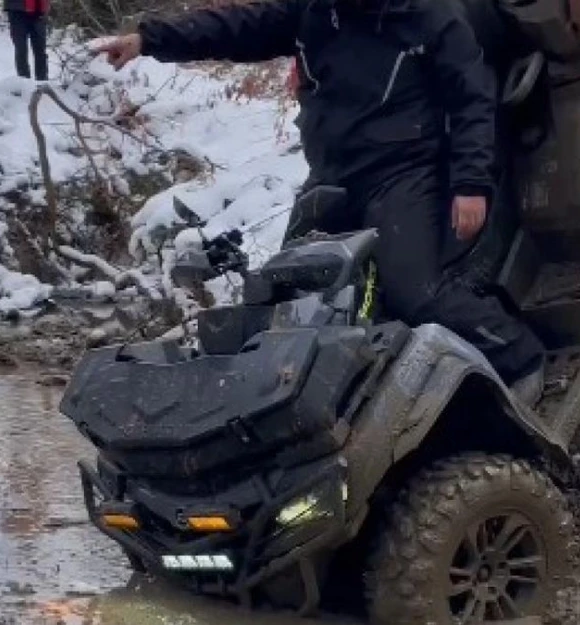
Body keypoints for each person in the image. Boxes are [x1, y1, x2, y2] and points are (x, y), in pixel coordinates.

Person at [92, 0, 547, 405]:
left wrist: (471, 184)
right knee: (284, 293)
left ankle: (520, 356)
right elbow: (235, 26)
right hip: (332, 176)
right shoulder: (310, 11)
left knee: (416, 293)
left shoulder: (428, 14)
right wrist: (148, 39)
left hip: (405, 171)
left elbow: (472, 100)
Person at [5, 0, 50, 81]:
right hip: (17, 11)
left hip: (39, 10)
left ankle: (42, 83)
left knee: (40, 50)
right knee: (21, 50)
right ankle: (24, 83)